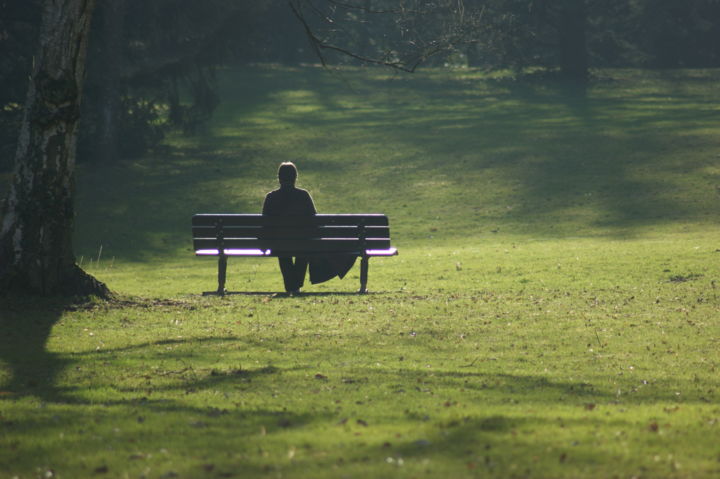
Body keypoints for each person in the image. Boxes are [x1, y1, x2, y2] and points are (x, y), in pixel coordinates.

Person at [262, 162, 355, 293]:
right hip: (303, 243)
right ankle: (295, 286)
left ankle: (292, 287)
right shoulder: (303, 195)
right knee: (304, 247)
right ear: (295, 177)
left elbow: (265, 225)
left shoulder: (271, 197)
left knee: (283, 250)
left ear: (279, 178)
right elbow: (315, 220)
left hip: (278, 243)